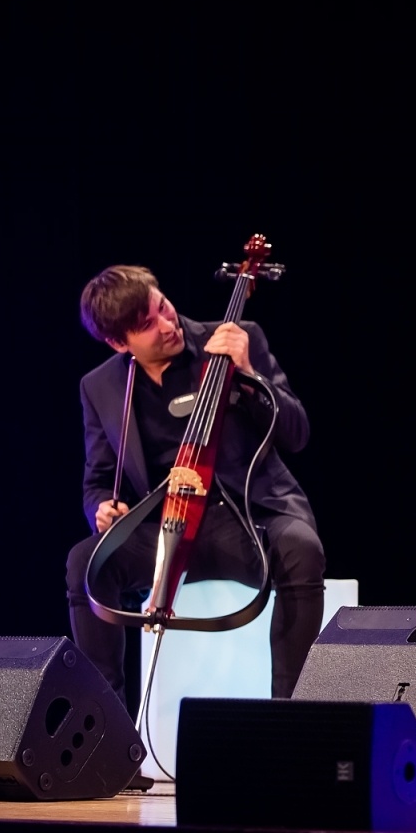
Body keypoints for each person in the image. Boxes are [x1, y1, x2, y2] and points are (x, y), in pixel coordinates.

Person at [64, 265, 325, 700]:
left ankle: (288, 717)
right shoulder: (101, 386)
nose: (168, 325)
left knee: (302, 549)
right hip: (167, 530)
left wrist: (248, 373)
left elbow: (296, 433)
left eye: (163, 307)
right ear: (118, 342)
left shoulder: (234, 340)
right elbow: (98, 479)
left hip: (243, 520)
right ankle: (106, 732)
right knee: (86, 564)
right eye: (148, 326)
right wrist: (102, 509)